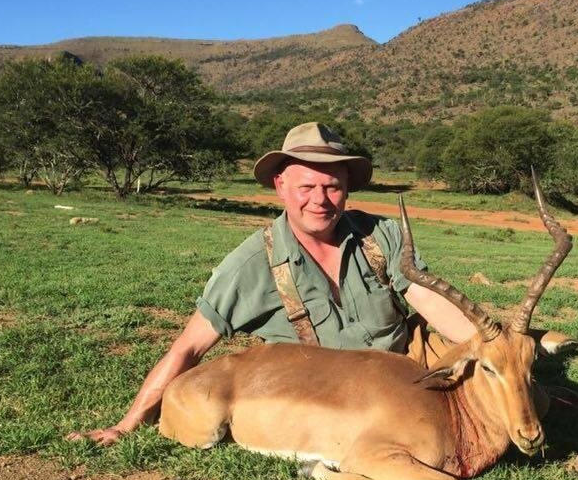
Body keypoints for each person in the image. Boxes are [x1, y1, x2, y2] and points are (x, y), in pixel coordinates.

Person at [67, 122, 479, 447]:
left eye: (333, 186)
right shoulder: (250, 265)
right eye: (307, 187)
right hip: (334, 402)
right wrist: (125, 425)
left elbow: (432, 302)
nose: (320, 199)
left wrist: (493, 347)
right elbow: (187, 348)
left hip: (407, 370)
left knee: (499, 377)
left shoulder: (380, 235)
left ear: (347, 188)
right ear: (281, 186)